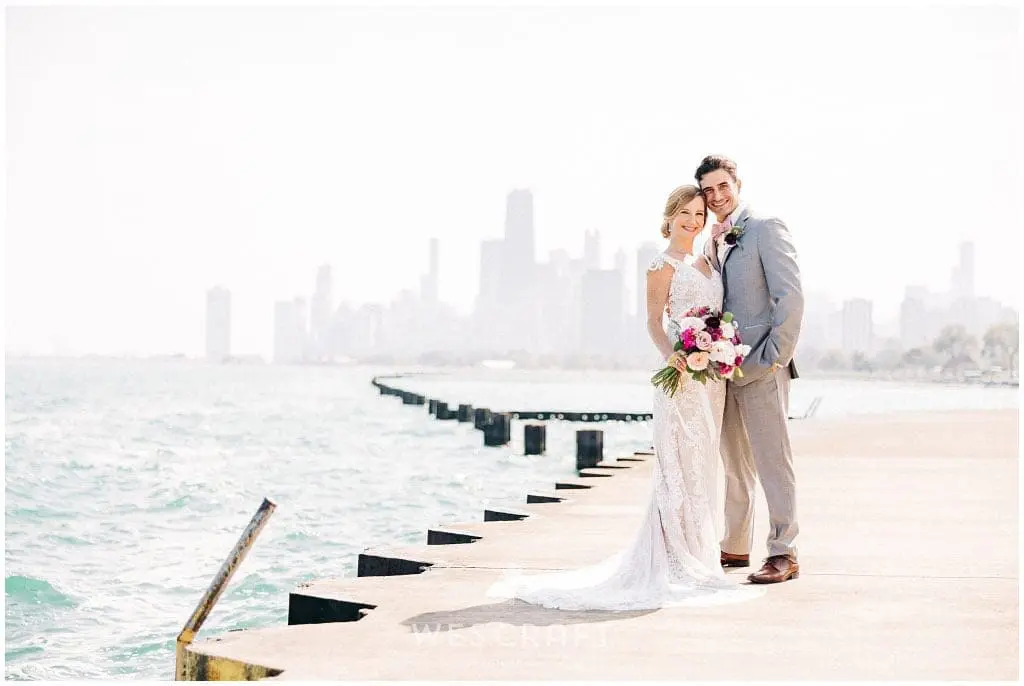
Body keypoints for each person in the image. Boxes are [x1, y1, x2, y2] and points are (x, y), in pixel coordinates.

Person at [486, 185, 761, 610]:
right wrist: (676, 358)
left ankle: (699, 555)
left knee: (703, 466)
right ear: (669, 217)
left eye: (698, 213)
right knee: (678, 467)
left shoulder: (707, 260)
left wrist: (718, 348)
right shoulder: (661, 264)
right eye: (684, 213)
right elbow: (654, 322)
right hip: (683, 377)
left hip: (713, 382)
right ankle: (671, 560)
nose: (692, 220)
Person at [697, 155, 804, 584]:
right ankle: (737, 545)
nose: (717, 196)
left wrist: (773, 356)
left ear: (737, 183)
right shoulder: (712, 240)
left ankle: (785, 551)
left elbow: (790, 297)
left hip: (762, 365)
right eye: (708, 191)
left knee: (773, 461)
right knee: (734, 463)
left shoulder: (765, 229)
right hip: (723, 372)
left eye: (723, 186)